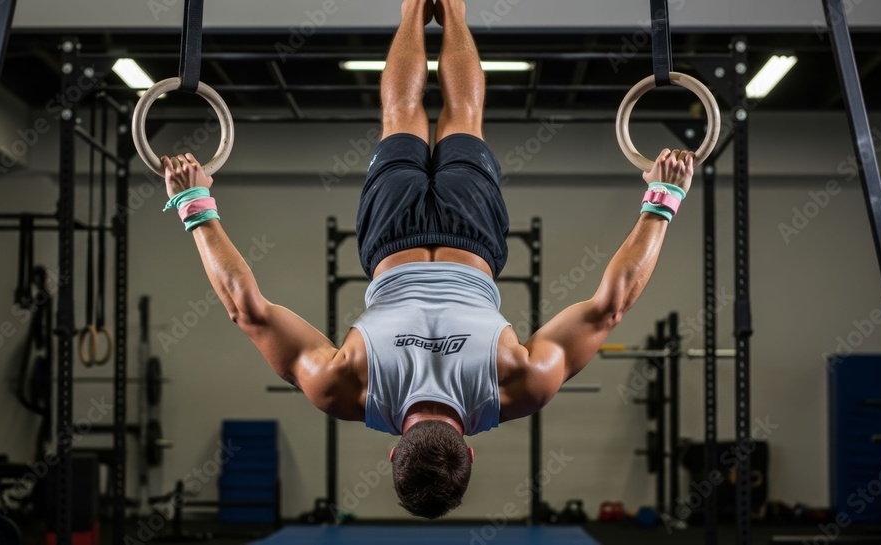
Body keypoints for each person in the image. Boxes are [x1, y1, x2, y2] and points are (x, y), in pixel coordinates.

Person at [159, 0, 694, 520]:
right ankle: (415, 7)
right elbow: (247, 310)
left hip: (472, 239)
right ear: (394, 453)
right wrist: (193, 202)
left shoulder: (519, 385)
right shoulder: (345, 388)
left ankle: (453, 9)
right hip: (391, 241)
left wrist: (664, 196)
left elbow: (609, 308)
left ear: (471, 455)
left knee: (465, 116)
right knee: (400, 116)